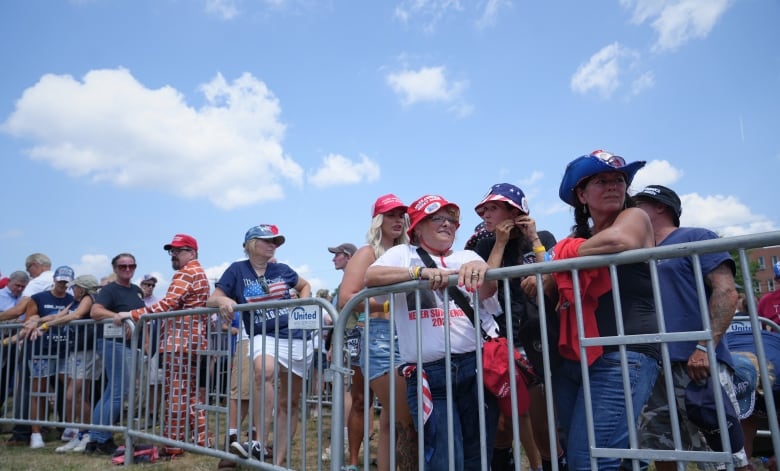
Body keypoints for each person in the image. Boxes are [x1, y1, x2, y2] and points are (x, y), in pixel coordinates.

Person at [365, 194, 502, 470]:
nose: (447, 224)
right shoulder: (404, 254)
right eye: (437, 218)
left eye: (451, 220)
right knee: (444, 459)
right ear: (417, 227)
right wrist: (418, 273)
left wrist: (483, 269)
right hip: (429, 375)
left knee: (479, 457)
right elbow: (371, 277)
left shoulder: (468, 255)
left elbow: (488, 292)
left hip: (475, 368)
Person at [552, 150, 659, 470]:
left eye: (619, 179)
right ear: (581, 195)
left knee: (591, 461)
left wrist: (561, 254)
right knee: (595, 457)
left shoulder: (635, 216)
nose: (613, 185)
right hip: (578, 357)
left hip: (624, 352)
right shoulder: (581, 239)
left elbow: (619, 242)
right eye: (602, 180)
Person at [633, 184, 748, 470]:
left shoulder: (695, 237)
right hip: (652, 366)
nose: (630, 210)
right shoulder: (634, 252)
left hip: (697, 363)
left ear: (660, 206)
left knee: (724, 453)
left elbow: (727, 292)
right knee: (663, 452)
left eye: (637, 204)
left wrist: (704, 346)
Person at [473, 183, 564, 471]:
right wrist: (498, 243)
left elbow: (553, 277)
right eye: (483, 209)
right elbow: (485, 286)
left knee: (543, 422)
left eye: (492, 208)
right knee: (504, 422)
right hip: (500, 338)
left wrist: (534, 238)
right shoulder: (485, 244)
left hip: (540, 334)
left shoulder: (543, 237)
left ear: (514, 211)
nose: (486, 214)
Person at [207, 224, 312, 467]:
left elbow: (304, 285)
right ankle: (258, 440)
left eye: (276, 241)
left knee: (290, 402)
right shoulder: (237, 269)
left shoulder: (283, 269)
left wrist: (302, 305)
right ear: (252, 243)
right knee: (263, 371)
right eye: (268, 240)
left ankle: (277, 461)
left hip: (295, 337)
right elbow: (212, 298)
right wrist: (223, 299)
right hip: (263, 335)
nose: (273, 245)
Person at [337, 193, 416, 470]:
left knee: (392, 416)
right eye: (391, 215)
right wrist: (387, 300)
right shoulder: (367, 252)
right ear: (378, 220)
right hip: (373, 334)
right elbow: (346, 298)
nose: (398, 220)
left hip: (405, 334)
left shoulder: (410, 252)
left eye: (401, 216)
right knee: (372, 405)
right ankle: (353, 461)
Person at [116, 234, 212, 450]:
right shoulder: (198, 272)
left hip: (179, 341)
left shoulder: (186, 273)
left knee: (176, 394)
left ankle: (173, 444)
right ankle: (202, 440)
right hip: (192, 341)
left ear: (192, 252)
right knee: (190, 394)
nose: (174, 255)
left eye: (178, 251)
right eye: (172, 251)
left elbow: (167, 304)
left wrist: (130, 314)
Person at [86, 253, 145, 455]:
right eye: (122, 266)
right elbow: (95, 311)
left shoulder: (137, 291)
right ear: (115, 268)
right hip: (113, 344)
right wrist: (118, 317)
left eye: (131, 266)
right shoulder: (110, 289)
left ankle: (95, 439)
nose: (127, 269)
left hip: (128, 345)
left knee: (113, 392)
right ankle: (101, 439)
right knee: (118, 392)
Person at [18, 266, 76, 449]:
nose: (62, 285)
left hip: (64, 350)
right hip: (40, 349)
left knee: (71, 390)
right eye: (60, 280)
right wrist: (39, 319)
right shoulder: (39, 297)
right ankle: (36, 433)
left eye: (66, 282)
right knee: (39, 391)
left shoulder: (72, 299)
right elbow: (29, 320)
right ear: (54, 279)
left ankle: (69, 427)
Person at [43, 274, 101, 453]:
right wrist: (35, 322)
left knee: (72, 395)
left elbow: (76, 315)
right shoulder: (75, 301)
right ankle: (82, 433)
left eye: (75, 287)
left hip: (87, 352)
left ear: (82, 288)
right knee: (79, 396)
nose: (72, 290)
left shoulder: (88, 299)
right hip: (76, 352)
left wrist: (46, 327)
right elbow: (57, 316)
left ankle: (89, 433)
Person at [325, 242, 363, 464]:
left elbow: (355, 317)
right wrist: (332, 346)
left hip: (354, 339)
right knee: (355, 393)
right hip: (346, 339)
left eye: (337, 255)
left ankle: (344, 442)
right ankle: (349, 440)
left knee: (350, 392)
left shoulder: (356, 280)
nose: (333, 259)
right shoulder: (345, 282)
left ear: (348, 257)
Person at [0, 270, 29, 411]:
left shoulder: (24, 298)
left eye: (23, 286)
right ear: (9, 281)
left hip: (13, 340)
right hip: (3, 337)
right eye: (17, 285)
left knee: (7, 378)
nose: (19, 289)